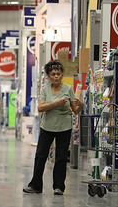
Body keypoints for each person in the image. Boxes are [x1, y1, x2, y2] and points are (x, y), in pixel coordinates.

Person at [23, 60, 80, 196]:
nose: (56, 76)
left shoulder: (68, 89)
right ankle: (35, 185)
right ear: (48, 76)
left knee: (60, 157)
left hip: (64, 127)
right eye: (53, 74)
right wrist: (56, 103)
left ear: (61, 75)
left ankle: (59, 186)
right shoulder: (45, 90)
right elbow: (40, 107)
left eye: (58, 74)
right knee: (40, 155)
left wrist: (80, 105)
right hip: (47, 126)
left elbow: (75, 110)